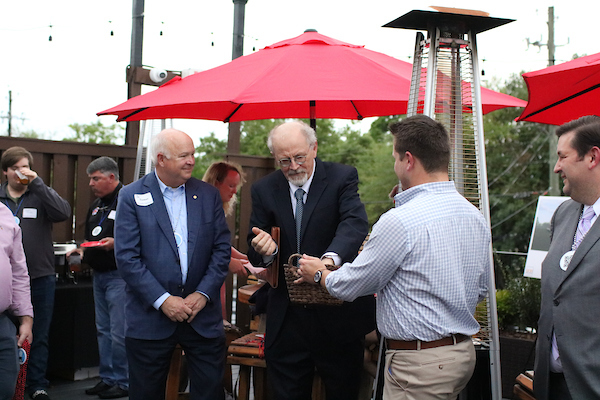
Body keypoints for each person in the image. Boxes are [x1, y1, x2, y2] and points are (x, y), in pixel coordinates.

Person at [296, 115, 491, 400]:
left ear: (408, 160)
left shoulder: (399, 221)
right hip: (460, 353)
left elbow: (351, 285)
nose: (395, 164)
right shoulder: (474, 215)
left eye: (395, 157)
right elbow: (482, 287)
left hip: (420, 362)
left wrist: (319, 273)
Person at [247, 120, 375, 400]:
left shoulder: (342, 177)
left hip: (337, 316)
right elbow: (254, 244)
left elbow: (354, 224)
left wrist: (328, 262)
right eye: (284, 160)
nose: (293, 166)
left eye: (299, 157)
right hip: (287, 319)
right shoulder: (264, 189)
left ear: (314, 148)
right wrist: (265, 248)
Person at [114, 128, 231, 400]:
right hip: (150, 317)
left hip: (201, 316)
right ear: (161, 159)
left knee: (210, 393)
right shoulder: (131, 196)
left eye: (192, 153)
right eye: (183, 155)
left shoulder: (208, 195)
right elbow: (127, 258)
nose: (191, 160)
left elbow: (221, 250)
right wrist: (164, 300)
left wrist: (203, 294)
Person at [534, 115, 600, 400]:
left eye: (563, 156)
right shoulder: (563, 213)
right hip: (552, 386)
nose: (556, 166)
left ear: (592, 157)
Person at [0, 147, 71, 400]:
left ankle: (37, 384)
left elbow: (63, 212)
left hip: (39, 276)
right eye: (16, 167)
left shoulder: (40, 195)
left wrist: (37, 183)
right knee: (6, 336)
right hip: (6, 282)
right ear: (6, 171)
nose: (22, 172)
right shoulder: (0, 200)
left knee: (38, 333)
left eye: (26, 167)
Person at [67, 157, 128, 399]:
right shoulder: (96, 205)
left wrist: (116, 244)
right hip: (99, 275)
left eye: (96, 178)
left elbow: (142, 236)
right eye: (90, 179)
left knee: (118, 331)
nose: (91, 183)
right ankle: (108, 377)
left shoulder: (127, 200)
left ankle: (124, 382)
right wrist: (81, 251)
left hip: (119, 276)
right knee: (103, 330)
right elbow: (89, 237)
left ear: (112, 177)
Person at [202, 161, 249, 319]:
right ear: (216, 183)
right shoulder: (201, 207)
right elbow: (200, 246)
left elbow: (219, 244)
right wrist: (229, 262)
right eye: (230, 186)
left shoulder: (216, 207)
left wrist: (243, 258)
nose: (235, 191)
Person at [0, 203, 34, 400]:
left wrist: (26, 320)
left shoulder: (4, 213)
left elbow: (18, 272)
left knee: (6, 389)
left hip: (2, 324)